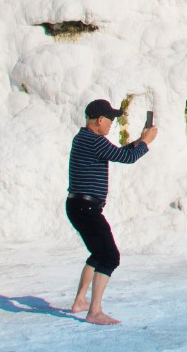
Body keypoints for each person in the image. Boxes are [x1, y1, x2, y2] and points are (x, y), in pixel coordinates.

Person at [66, 99, 157, 325]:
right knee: (110, 257)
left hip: (79, 206)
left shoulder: (84, 138)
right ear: (100, 120)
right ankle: (94, 311)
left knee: (98, 254)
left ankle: (80, 301)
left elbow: (117, 153)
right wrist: (146, 142)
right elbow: (127, 158)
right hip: (86, 208)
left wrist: (139, 141)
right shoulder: (94, 140)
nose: (112, 125)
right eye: (110, 120)